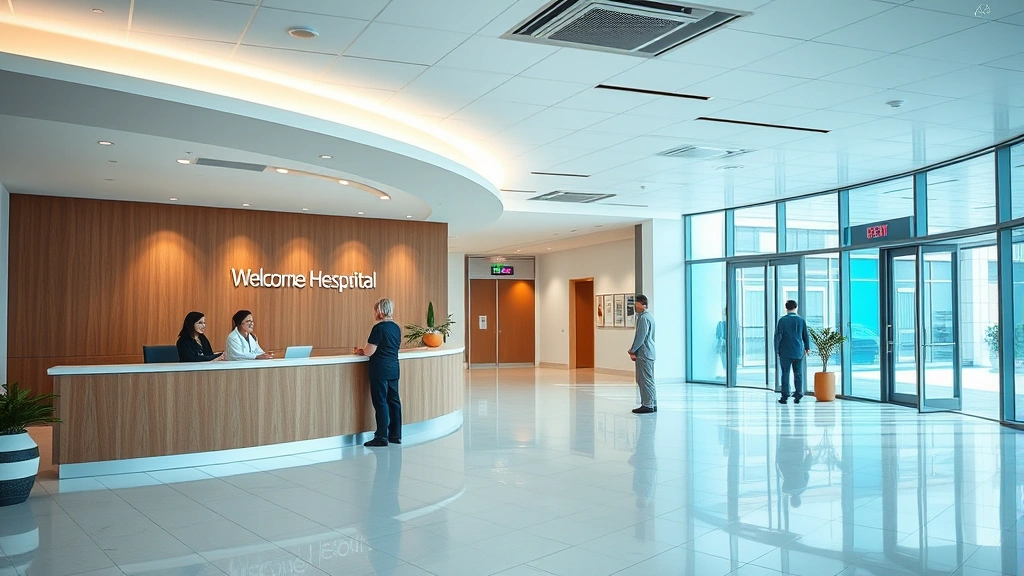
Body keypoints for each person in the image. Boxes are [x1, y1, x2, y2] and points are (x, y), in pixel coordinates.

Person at [356, 298, 402, 447]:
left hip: (380, 369)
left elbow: (369, 351)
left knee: (381, 401)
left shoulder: (378, 329)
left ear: (381, 311)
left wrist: (361, 351)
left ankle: (381, 436)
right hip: (394, 368)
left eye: (375, 310)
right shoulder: (396, 328)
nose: (374, 313)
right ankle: (395, 435)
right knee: (394, 400)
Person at [774, 300, 810, 404]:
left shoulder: (782, 320)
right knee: (798, 373)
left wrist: (777, 349)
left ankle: (785, 396)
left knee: (785, 373)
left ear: (786, 308)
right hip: (798, 351)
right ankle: (798, 395)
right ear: (796, 307)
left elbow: (777, 336)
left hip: (785, 351)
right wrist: (807, 347)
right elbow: (805, 335)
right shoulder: (801, 320)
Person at [628, 294, 656, 414]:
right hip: (649, 352)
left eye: (637, 304)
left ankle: (647, 404)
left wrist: (632, 350)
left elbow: (640, 337)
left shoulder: (643, 318)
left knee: (644, 380)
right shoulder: (649, 316)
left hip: (644, 353)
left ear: (643, 305)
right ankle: (652, 403)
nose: (635, 306)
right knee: (649, 379)